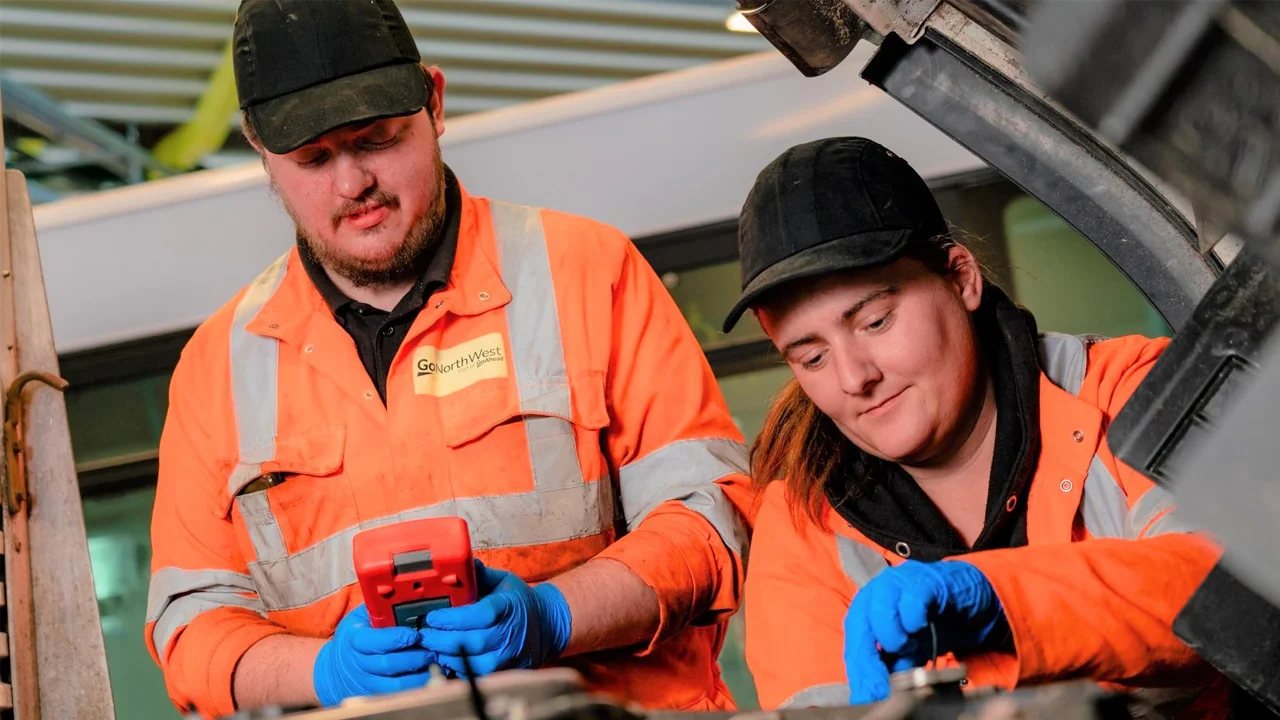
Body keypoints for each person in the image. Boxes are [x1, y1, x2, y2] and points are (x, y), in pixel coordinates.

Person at [144, 1, 754, 716]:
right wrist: (324, 673)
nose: (352, 184)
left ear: (433, 103)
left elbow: (708, 518)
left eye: (376, 140)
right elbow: (192, 626)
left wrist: (554, 616)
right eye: (312, 159)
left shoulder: (587, 272)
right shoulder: (218, 367)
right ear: (261, 152)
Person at [726, 137, 1230, 716]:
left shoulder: (1132, 388)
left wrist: (997, 597)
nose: (853, 377)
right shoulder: (801, 527)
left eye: (875, 321)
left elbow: (1226, 587)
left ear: (961, 278)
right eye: (811, 357)